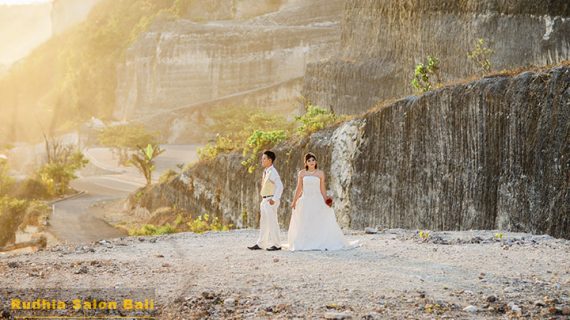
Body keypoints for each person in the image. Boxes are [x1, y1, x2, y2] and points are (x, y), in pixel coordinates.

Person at [287, 152, 357, 251]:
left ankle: (318, 241)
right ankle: (306, 242)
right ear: (306, 163)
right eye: (309, 160)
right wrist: (294, 201)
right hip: (305, 200)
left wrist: (326, 200)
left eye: (313, 160)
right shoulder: (302, 173)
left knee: (318, 220)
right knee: (305, 221)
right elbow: (299, 188)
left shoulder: (320, 173)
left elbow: (322, 189)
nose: (311, 162)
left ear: (316, 162)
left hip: (317, 200)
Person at [248, 150, 284, 251]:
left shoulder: (273, 172)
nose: (262, 160)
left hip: (270, 200)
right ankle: (261, 244)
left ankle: (277, 245)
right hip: (265, 200)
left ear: (270, 160)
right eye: (262, 158)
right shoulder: (266, 171)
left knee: (272, 222)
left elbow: (280, 186)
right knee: (264, 222)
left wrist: (274, 199)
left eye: (264, 158)